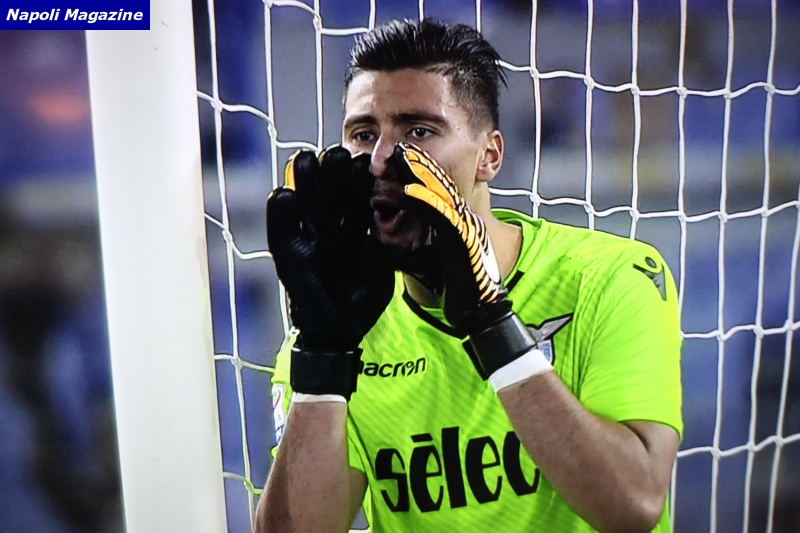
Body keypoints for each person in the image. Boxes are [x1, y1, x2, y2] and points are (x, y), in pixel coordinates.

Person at [257, 18, 682, 533]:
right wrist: (324, 356)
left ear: (489, 155)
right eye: (364, 134)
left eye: (419, 131)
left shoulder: (609, 277)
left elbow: (635, 505)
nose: (381, 159)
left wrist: (489, 321)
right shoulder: (334, 327)